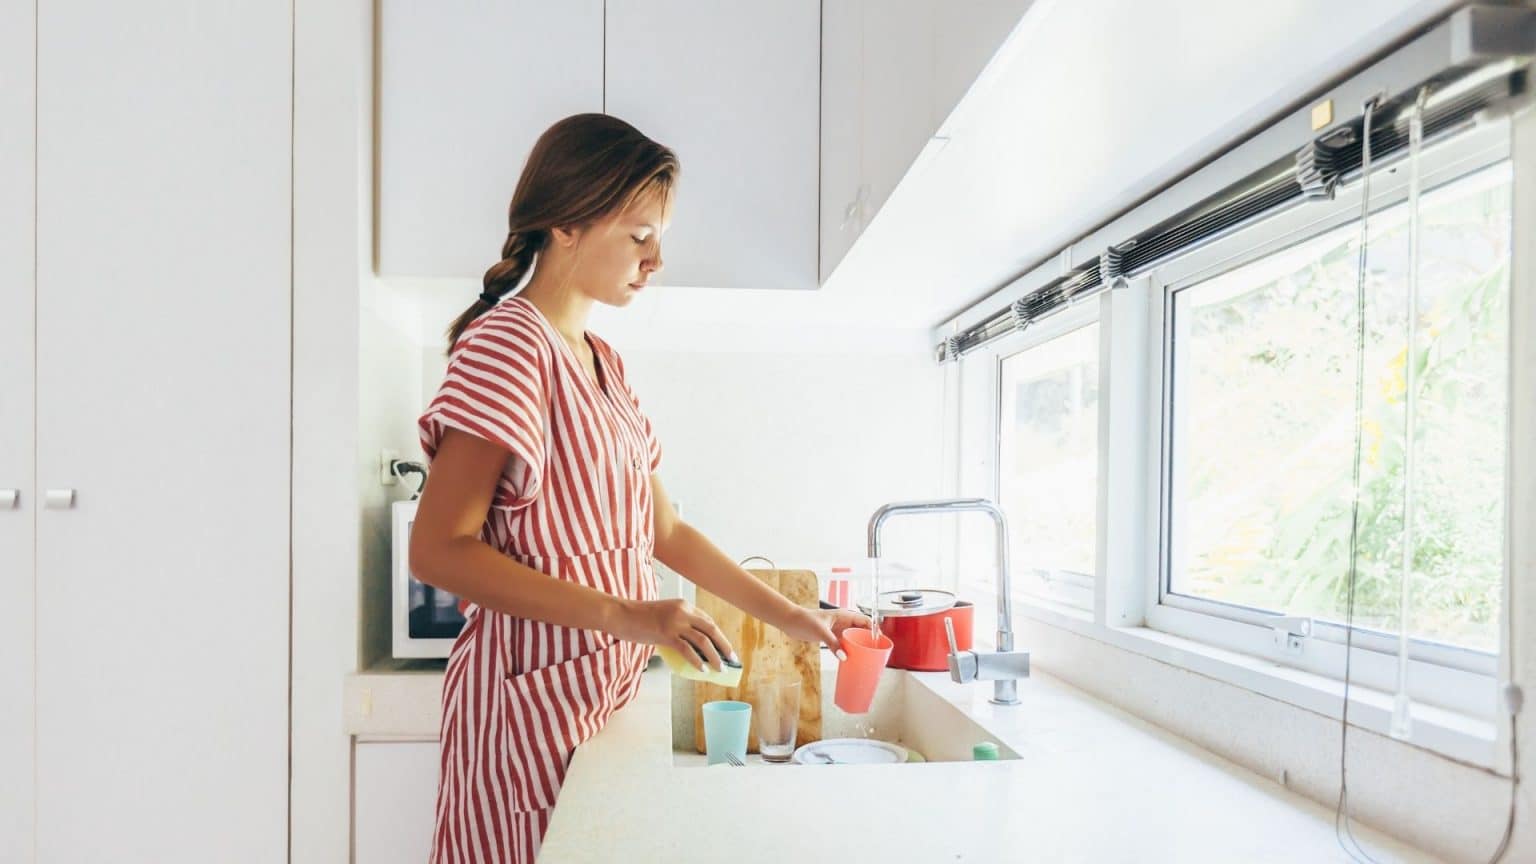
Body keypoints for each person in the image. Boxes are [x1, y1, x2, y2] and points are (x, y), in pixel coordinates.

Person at [409, 113, 870, 863]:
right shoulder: (507, 347)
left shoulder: (604, 363)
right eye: (639, 234)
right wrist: (632, 614)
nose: (655, 259)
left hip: (598, 703)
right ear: (565, 223)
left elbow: (667, 532)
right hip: (526, 714)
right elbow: (437, 549)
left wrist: (795, 616)